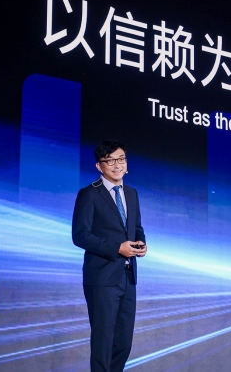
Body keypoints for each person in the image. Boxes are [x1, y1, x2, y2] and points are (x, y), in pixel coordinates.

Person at [72, 140, 147, 372]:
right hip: (102, 278)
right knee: (103, 342)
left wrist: (141, 243)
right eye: (110, 161)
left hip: (128, 277)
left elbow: (136, 228)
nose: (117, 165)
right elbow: (80, 236)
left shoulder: (132, 194)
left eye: (121, 159)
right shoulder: (89, 194)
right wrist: (117, 248)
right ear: (99, 166)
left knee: (123, 343)